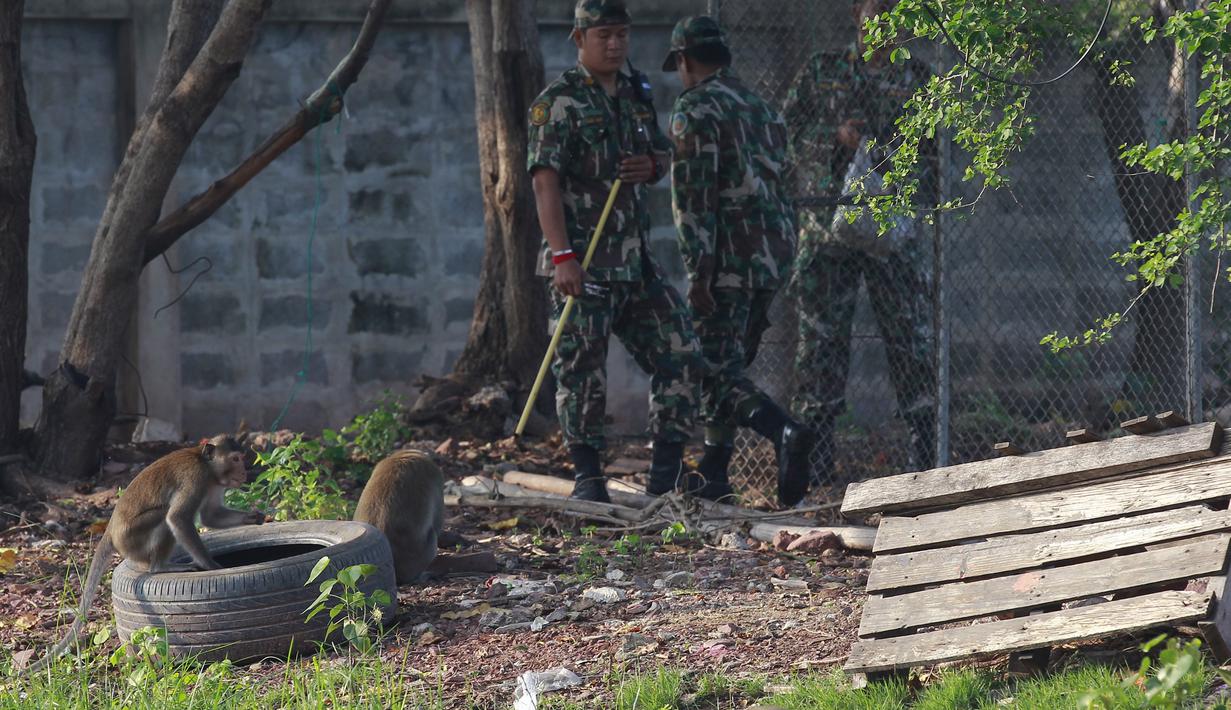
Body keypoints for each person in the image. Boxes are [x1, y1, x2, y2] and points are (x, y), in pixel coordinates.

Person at [527, 0, 703, 503]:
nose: (615, 43)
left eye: (622, 33)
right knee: (581, 371)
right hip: (583, 263)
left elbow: (663, 155)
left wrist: (652, 166)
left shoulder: (636, 91)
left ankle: (665, 475)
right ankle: (588, 478)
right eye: (604, 34)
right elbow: (545, 183)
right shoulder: (558, 102)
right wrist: (562, 257)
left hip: (636, 261)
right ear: (579, 38)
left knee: (681, 354)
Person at [664, 16, 813, 506]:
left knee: (715, 370)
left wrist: (697, 272)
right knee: (729, 363)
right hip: (773, 254)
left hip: (726, 260)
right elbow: (786, 183)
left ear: (684, 60)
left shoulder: (694, 108)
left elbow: (693, 199)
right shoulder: (762, 108)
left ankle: (784, 431)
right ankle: (715, 471)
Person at [786, 0, 937, 484]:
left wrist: (893, 162)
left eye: (896, 10)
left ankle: (924, 448)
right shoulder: (822, 71)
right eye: (878, 8)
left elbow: (936, 155)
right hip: (828, 228)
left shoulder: (920, 78)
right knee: (821, 341)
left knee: (909, 335)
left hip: (891, 230)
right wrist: (834, 138)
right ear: (857, 13)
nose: (886, 19)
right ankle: (816, 454)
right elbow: (785, 131)